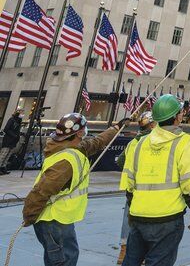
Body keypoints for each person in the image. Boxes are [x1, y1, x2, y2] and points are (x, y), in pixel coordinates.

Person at [23, 113, 128, 266]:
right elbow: (41, 191)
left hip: (57, 220)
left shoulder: (71, 147)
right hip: (54, 220)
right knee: (65, 260)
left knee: (62, 258)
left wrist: (116, 128)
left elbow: (97, 142)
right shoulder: (66, 160)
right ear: (79, 133)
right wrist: (29, 216)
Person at [122, 95, 190, 266]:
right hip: (168, 219)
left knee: (131, 261)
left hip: (138, 215)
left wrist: (131, 207)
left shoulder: (139, 143)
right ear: (176, 117)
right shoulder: (185, 142)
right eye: (180, 112)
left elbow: (129, 181)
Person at [115, 112, 155, 264]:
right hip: (146, 186)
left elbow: (120, 161)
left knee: (128, 217)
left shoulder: (133, 142)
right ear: (151, 125)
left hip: (130, 186)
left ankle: (123, 251)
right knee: (145, 221)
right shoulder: (152, 141)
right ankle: (142, 253)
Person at [0, 109, 22, 174]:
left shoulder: (18, 121)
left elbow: (17, 130)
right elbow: (6, 129)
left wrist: (18, 136)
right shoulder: (11, 120)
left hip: (13, 141)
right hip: (8, 140)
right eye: (21, 113)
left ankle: (3, 167)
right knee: (3, 154)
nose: (22, 115)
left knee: (8, 155)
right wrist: (14, 135)